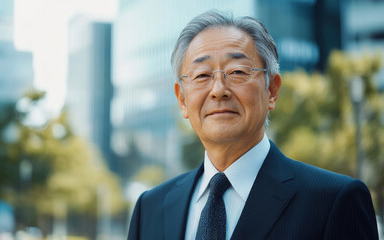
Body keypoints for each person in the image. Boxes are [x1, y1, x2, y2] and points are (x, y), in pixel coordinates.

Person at [127, 10, 379, 240]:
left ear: (272, 90)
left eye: (237, 71)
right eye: (202, 75)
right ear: (182, 99)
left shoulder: (334, 201)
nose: (218, 90)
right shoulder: (150, 209)